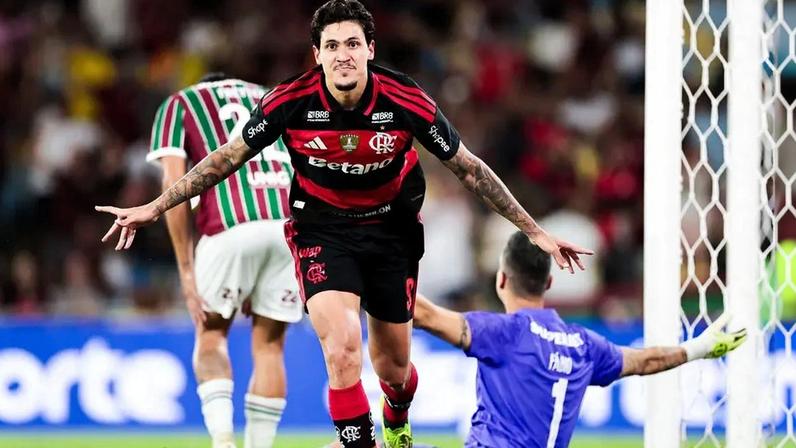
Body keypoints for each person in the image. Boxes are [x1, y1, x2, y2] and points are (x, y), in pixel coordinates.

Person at [95, 1, 591, 446]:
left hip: (391, 232)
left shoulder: (405, 99)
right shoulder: (289, 101)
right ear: (317, 55)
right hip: (322, 231)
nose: (342, 55)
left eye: (352, 43)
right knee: (342, 349)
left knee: (394, 370)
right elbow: (225, 159)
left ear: (370, 49)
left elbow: (470, 169)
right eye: (331, 46)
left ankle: (397, 423)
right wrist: (156, 206)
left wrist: (533, 230)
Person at [412, 231, 748, 448]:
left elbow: (425, 315)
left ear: (501, 280)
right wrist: (700, 347)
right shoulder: (582, 345)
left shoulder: (503, 333)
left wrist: (383, 270)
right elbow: (646, 361)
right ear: (548, 284)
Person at [147, 73, 302, 448]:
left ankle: (223, 441)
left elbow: (173, 184)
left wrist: (186, 270)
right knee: (270, 346)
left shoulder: (180, 103)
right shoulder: (273, 95)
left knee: (212, 334)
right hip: (290, 228)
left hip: (229, 226)